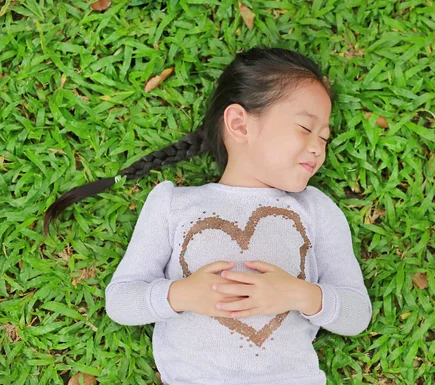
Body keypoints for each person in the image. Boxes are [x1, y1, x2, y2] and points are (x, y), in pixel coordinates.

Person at [43, 46, 372, 385]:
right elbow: (121, 300)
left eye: (324, 136)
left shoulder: (316, 209)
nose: (319, 147)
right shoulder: (173, 204)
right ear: (239, 124)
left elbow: (356, 313)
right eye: (305, 128)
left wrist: (297, 294)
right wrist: (182, 295)